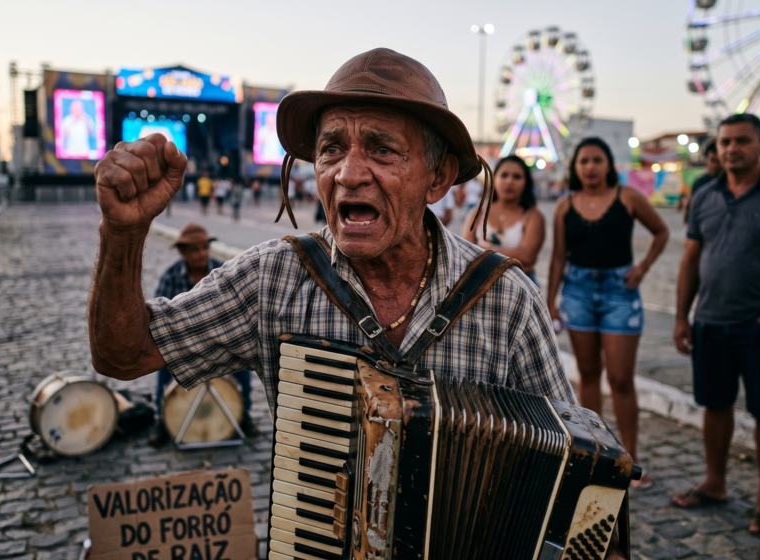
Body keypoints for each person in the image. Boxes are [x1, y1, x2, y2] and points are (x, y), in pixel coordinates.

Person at [90, 48, 625, 559]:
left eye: (381, 148)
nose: (347, 172)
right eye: (330, 149)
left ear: (437, 179)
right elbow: (125, 355)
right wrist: (124, 233)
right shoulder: (272, 278)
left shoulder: (506, 299)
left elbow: (577, 470)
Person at [672, 114, 760, 538]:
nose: (732, 148)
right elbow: (691, 259)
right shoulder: (706, 194)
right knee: (715, 406)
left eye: (742, 141)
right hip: (710, 322)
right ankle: (715, 482)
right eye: (725, 141)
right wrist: (682, 315)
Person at [547, 137, 669, 490]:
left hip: (620, 293)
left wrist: (643, 268)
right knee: (587, 374)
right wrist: (551, 299)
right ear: (576, 168)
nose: (590, 167)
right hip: (578, 292)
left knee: (620, 378)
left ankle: (630, 459)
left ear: (608, 165)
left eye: (597, 160)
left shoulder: (628, 198)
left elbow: (661, 232)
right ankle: (597, 454)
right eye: (583, 161)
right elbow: (558, 257)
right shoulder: (564, 206)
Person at [150, 223, 259, 445]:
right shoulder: (171, 277)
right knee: (161, 367)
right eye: (194, 250)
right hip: (183, 344)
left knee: (246, 362)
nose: (201, 254)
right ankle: (161, 419)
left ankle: (244, 414)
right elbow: (158, 321)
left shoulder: (223, 271)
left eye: (204, 248)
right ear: (182, 252)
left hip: (221, 340)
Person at [463, 155, 545, 285]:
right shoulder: (477, 214)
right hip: (478, 287)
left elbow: (527, 256)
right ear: (495, 178)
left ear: (526, 182)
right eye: (504, 175)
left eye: (517, 176)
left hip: (521, 287)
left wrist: (482, 254)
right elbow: (465, 255)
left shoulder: (533, 216)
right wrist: (514, 259)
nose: (509, 181)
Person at [683, 138, 721, 222]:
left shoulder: (733, 183)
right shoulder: (700, 182)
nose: (715, 165)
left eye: (718, 161)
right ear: (706, 160)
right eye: (712, 160)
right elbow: (690, 206)